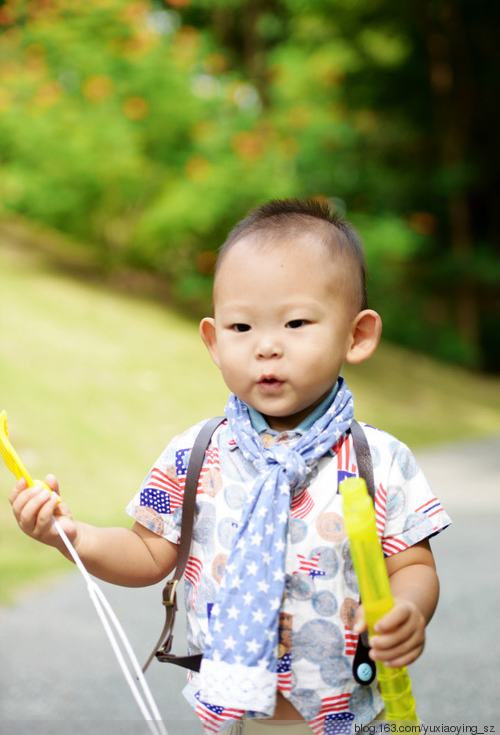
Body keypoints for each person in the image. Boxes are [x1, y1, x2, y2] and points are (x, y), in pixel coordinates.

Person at [9, 198, 451, 734]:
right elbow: (149, 553)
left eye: (295, 322)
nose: (266, 346)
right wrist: (70, 535)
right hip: (232, 719)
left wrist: (407, 609)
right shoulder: (194, 454)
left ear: (356, 336)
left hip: (352, 717)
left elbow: (413, 567)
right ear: (214, 343)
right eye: (241, 328)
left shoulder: (377, 459)